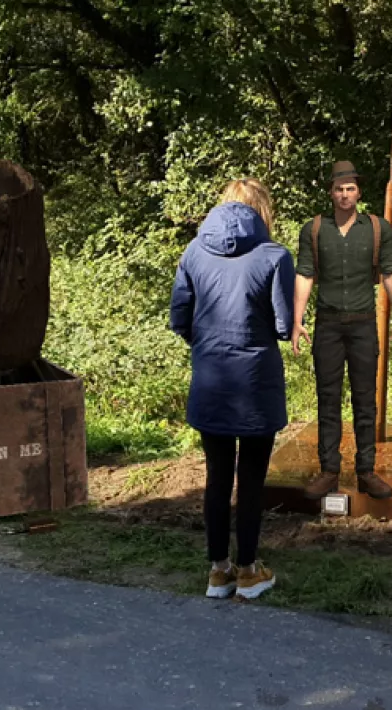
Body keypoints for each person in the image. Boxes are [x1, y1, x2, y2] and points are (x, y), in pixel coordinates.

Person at [169, 178, 295, 600]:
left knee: (217, 476)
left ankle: (218, 572)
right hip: (256, 383)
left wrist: (208, 345)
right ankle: (249, 571)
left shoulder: (193, 252)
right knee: (252, 480)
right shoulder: (275, 256)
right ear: (262, 210)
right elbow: (282, 325)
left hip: (211, 380)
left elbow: (179, 318)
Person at [292, 161, 392, 501]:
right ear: (331, 192)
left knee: (364, 400)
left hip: (362, 324)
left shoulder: (376, 229)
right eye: (339, 189)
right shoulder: (313, 230)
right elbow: (305, 275)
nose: (345, 195)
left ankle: (366, 472)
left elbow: (390, 273)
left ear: (358, 192)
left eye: (350, 189)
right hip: (327, 324)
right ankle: (329, 471)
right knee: (327, 399)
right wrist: (297, 320)